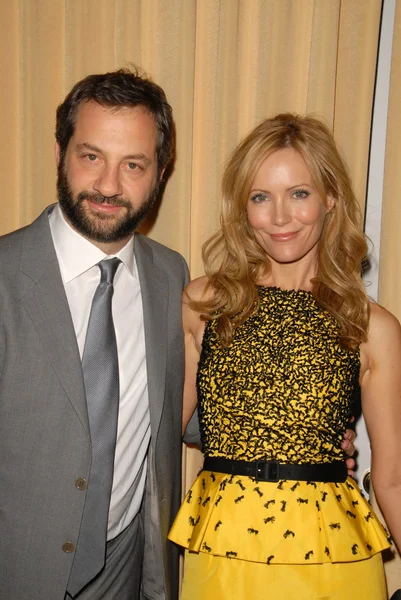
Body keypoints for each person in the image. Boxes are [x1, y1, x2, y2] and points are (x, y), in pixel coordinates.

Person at [169, 113, 401, 599]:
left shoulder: (371, 326)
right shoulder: (203, 305)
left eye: (299, 193)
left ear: (329, 198)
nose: (279, 217)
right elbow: (159, 440)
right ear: (243, 207)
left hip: (334, 560)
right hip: (221, 552)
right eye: (261, 197)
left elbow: (394, 479)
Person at [0, 68, 189, 600]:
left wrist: (292, 431)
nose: (109, 186)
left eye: (133, 164)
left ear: (161, 171)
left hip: (123, 570)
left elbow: (178, 402)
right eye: (91, 157)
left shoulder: (170, 275)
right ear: (60, 151)